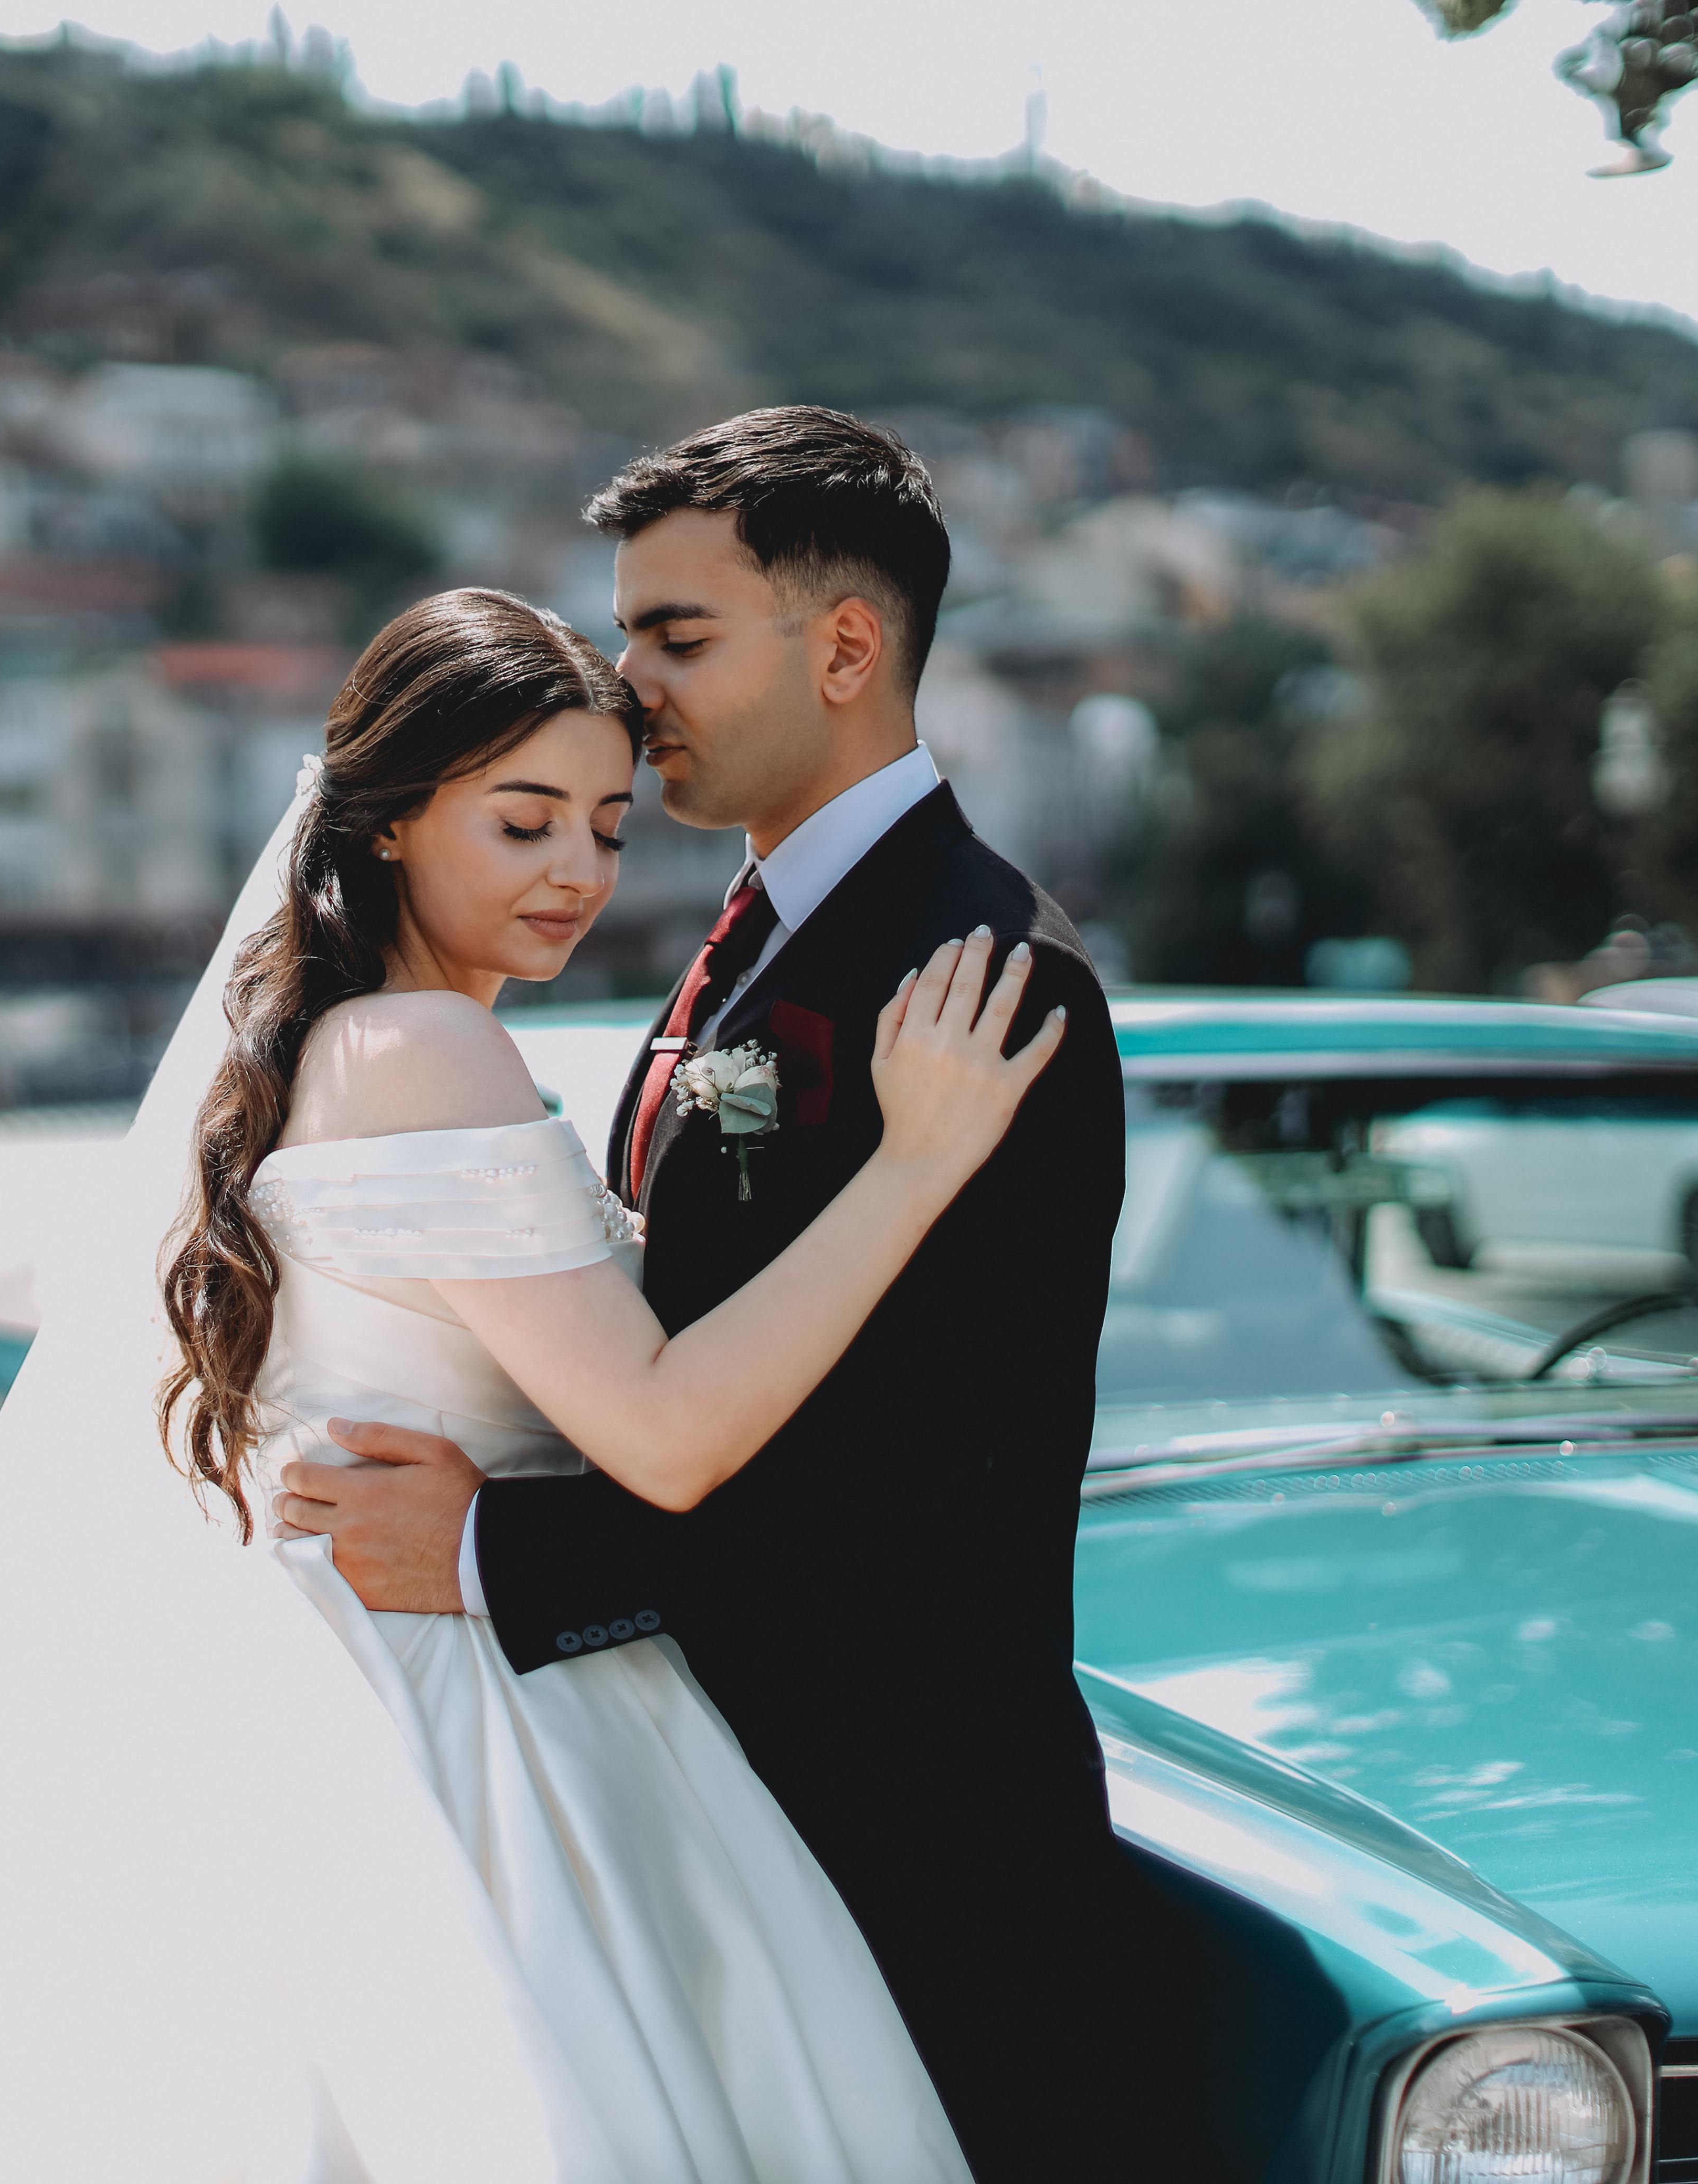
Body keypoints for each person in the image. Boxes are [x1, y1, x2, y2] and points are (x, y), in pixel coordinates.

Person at [0, 573, 1066, 2184]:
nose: (576, 872)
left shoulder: (319, 1039)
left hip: (367, 1656)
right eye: (522, 823)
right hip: (466, 1710)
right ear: (387, 821)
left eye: (604, 826)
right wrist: (915, 1164)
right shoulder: (429, 1050)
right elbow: (664, 1432)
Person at [281, 408, 1154, 2178]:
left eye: (677, 636)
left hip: (906, 1837)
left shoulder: (977, 977)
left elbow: (924, 1484)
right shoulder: (754, 939)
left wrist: (488, 1554)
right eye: (628, 634)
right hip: (709, 1814)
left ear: (845, 647)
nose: (633, 679)